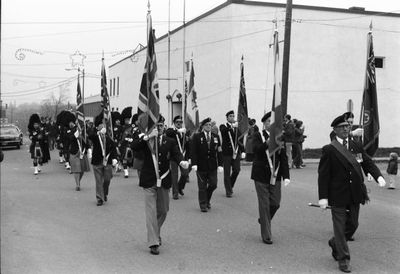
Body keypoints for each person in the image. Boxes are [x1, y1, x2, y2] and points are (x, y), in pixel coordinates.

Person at [318, 113, 386, 273]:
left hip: (355, 193)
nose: (346, 129)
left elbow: (367, 163)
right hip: (337, 195)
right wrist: (323, 197)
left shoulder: (356, 146)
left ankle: (335, 243)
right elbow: (323, 176)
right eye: (342, 127)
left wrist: (379, 176)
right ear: (335, 130)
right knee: (340, 228)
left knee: (353, 225)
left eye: (347, 126)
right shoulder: (329, 149)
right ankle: (343, 260)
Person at [131, 115, 189, 255]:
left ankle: (155, 233)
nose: (159, 128)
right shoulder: (146, 140)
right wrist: (146, 137)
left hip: (163, 180)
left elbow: (176, 153)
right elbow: (134, 146)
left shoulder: (169, 141)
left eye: (161, 125)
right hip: (149, 180)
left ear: (164, 126)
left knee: (163, 210)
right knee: (151, 212)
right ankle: (153, 242)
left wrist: (182, 162)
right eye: (156, 126)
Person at [251, 112, 290, 245]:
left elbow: (283, 157)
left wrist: (286, 176)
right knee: (264, 205)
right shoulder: (258, 135)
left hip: (276, 175)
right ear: (264, 124)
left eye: (272, 122)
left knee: (275, 203)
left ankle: (264, 219)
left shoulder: (279, 137)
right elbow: (255, 150)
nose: (271, 124)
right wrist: (267, 143)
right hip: (261, 175)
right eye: (268, 121)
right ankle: (267, 235)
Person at [191, 117, 223, 212]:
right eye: (206, 125)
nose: (209, 126)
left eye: (210, 125)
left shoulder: (215, 136)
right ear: (203, 126)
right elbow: (193, 151)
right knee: (202, 186)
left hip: (212, 165)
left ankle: (207, 199)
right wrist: (194, 163)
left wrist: (220, 164)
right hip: (201, 165)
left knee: (213, 184)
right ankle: (203, 205)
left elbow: (219, 151)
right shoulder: (197, 136)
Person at [88, 112, 119, 206]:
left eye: (103, 124)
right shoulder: (95, 136)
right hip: (97, 162)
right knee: (98, 181)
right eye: (100, 125)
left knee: (107, 179)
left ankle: (104, 193)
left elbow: (113, 148)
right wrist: (97, 132)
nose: (102, 126)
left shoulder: (109, 137)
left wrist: (114, 158)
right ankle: (99, 198)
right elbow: (90, 136)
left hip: (108, 162)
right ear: (97, 127)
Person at [219, 110, 245, 197]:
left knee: (237, 170)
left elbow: (240, 139)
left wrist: (243, 150)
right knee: (226, 172)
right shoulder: (223, 126)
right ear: (227, 118)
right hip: (227, 153)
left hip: (236, 152)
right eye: (230, 116)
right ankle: (228, 191)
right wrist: (232, 126)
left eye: (233, 116)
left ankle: (230, 185)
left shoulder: (237, 128)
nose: (232, 117)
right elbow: (224, 131)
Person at [165, 115, 190, 199]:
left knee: (185, 173)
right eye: (177, 122)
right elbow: (168, 133)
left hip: (182, 156)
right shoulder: (171, 130)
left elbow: (188, 144)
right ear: (174, 123)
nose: (179, 123)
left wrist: (189, 156)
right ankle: (175, 193)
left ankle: (180, 187)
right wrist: (178, 131)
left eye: (180, 122)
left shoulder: (184, 131)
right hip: (173, 157)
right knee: (174, 176)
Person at [66, 119, 90, 191]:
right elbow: (70, 138)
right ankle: (77, 185)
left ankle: (78, 181)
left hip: (82, 152)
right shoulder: (70, 130)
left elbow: (86, 141)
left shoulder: (84, 131)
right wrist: (75, 134)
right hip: (74, 152)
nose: (71, 123)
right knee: (77, 170)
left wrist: (89, 149)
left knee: (82, 170)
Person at [120, 107, 134, 178]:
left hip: (130, 144)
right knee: (124, 158)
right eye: (126, 119)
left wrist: (131, 139)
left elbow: (133, 135)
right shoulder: (122, 127)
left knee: (129, 158)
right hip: (123, 144)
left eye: (128, 119)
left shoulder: (131, 127)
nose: (127, 121)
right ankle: (126, 172)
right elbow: (120, 136)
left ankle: (125, 167)